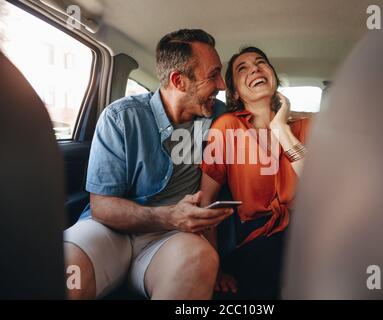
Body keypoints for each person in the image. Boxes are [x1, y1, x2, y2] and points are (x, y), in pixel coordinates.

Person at [63, 29, 233, 300]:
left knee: (202, 261)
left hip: (172, 239)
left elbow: (261, 122)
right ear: (179, 81)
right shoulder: (120, 117)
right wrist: (169, 215)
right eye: (213, 75)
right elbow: (102, 207)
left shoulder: (218, 116)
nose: (222, 85)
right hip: (109, 231)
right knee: (67, 267)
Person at [199, 46, 311, 299]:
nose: (255, 69)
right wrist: (213, 267)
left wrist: (281, 128)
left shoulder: (305, 125)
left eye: (261, 63)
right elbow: (208, 203)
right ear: (235, 92)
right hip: (258, 237)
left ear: (273, 76)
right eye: (243, 68)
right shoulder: (227, 127)